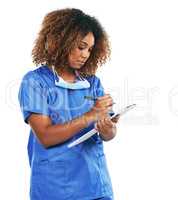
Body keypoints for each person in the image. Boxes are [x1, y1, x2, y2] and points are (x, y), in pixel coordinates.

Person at [18, 8, 120, 200]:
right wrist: (90, 115)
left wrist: (108, 129)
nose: (86, 55)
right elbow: (45, 136)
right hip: (55, 188)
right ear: (60, 41)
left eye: (90, 49)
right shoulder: (35, 82)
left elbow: (109, 132)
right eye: (81, 47)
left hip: (96, 186)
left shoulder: (92, 82)